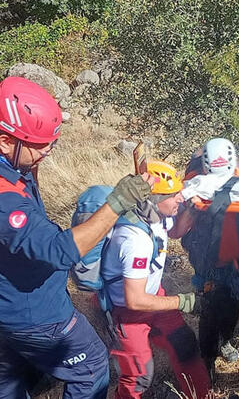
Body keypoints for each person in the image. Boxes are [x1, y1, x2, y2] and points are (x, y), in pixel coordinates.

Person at [0, 77, 153, 398]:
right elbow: (60, 251)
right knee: (92, 366)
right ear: (5, 141)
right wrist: (119, 202)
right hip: (34, 313)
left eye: (53, 143)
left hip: (9, 303)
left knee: (11, 381)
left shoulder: (14, 168)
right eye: (40, 144)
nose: (48, 152)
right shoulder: (5, 200)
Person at [101, 160, 210, 399]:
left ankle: (201, 395)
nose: (180, 198)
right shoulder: (135, 240)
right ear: (153, 198)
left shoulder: (155, 214)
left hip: (153, 296)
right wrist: (184, 302)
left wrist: (191, 210)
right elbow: (135, 300)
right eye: (173, 195)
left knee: (185, 345)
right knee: (139, 376)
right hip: (128, 312)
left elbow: (174, 232)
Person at [170, 137, 239, 382]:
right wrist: (193, 209)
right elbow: (177, 231)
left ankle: (225, 340)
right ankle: (207, 360)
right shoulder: (194, 183)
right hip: (209, 260)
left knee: (234, 303)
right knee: (210, 310)